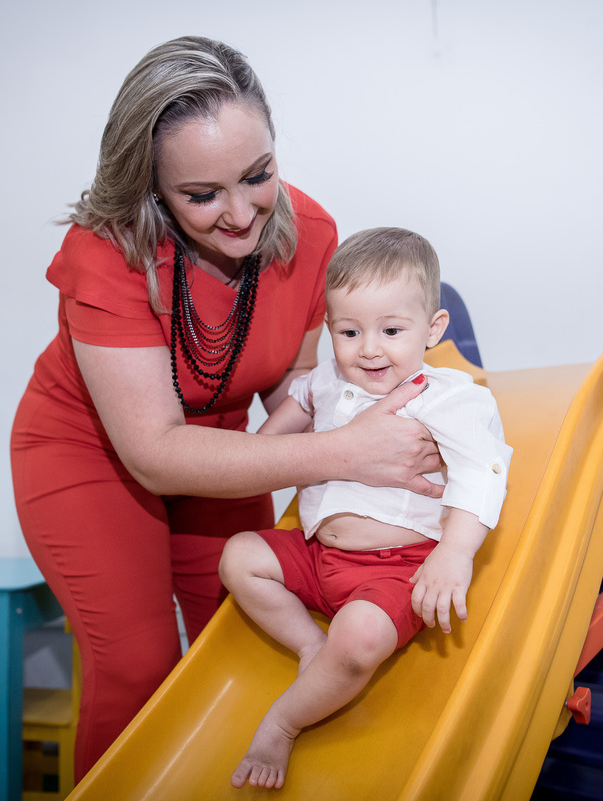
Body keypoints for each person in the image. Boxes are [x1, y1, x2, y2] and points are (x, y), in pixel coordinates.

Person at [10, 38, 444, 779]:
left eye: (258, 175)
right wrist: (344, 454)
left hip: (222, 448)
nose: (242, 213)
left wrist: (404, 409)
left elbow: (296, 389)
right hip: (94, 454)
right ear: (149, 188)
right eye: (203, 194)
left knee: (239, 642)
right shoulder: (104, 252)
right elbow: (150, 448)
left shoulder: (311, 235)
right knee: (140, 663)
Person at [219, 227, 514, 790]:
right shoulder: (327, 377)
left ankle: (282, 723)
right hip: (316, 554)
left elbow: (484, 471)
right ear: (329, 329)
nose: (370, 348)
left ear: (433, 329)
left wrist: (454, 553)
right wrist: (262, 447)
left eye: (392, 330)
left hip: (395, 568)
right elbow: (285, 425)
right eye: (350, 331)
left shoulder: (451, 396)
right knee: (238, 557)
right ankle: (310, 647)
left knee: (359, 640)